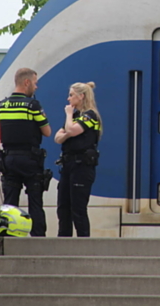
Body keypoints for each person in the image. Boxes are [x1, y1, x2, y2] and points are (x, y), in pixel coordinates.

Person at [0, 68, 51, 237]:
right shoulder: (33, 105)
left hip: (8, 159)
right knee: (35, 200)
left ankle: (8, 236)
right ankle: (38, 238)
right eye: (35, 83)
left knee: (10, 201)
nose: (36, 87)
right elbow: (47, 132)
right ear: (26, 82)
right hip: (30, 159)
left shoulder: (2, 105)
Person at [54, 81, 102, 237]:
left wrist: (68, 118)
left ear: (81, 96)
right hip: (68, 165)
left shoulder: (90, 115)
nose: (68, 99)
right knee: (63, 206)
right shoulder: (75, 117)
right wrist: (69, 131)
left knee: (78, 208)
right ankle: (63, 239)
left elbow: (70, 130)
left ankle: (83, 243)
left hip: (82, 166)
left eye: (71, 95)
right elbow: (57, 138)